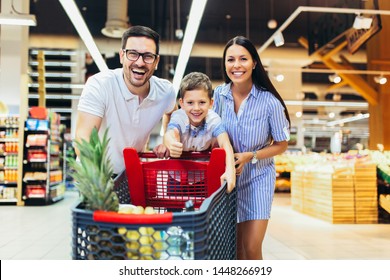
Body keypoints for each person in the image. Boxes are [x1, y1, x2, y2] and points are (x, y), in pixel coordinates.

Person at [213, 36, 291, 260]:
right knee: (233, 248)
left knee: (251, 247)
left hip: (258, 178)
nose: (236, 65)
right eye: (231, 60)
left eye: (243, 59)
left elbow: (281, 144)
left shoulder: (269, 102)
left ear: (254, 63)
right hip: (227, 178)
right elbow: (212, 131)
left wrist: (251, 156)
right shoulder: (219, 95)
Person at [75, 25, 177, 175]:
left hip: (130, 175)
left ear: (156, 61)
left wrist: (168, 140)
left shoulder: (165, 92)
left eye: (148, 56)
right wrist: (101, 183)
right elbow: (84, 139)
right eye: (133, 54)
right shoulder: (100, 84)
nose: (140, 63)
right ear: (122, 56)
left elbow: (173, 115)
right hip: (95, 177)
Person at [163, 72, 236, 193]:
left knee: (203, 210)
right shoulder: (178, 116)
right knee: (174, 210)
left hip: (201, 178)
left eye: (202, 102)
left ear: (211, 103)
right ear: (181, 103)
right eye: (190, 103)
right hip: (175, 177)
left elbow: (225, 144)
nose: (196, 108)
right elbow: (171, 133)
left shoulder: (214, 120)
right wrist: (171, 143)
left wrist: (230, 170)